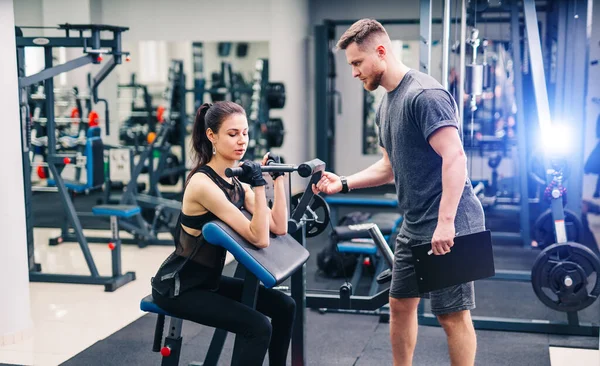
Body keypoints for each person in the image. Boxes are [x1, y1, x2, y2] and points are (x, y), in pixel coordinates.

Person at [313, 19, 485, 366]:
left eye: (357, 63)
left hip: (451, 222)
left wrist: (446, 223)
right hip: (415, 223)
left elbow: (454, 157)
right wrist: (342, 182)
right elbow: (388, 168)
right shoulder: (386, 104)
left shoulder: (424, 95)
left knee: (451, 315)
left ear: (381, 52)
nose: (354, 73)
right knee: (400, 304)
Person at [151, 101, 295, 366]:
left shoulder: (235, 181)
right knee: (258, 327)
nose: (242, 141)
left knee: (285, 306)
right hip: (181, 287)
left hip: (209, 281)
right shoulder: (203, 185)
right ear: (211, 136)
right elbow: (260, 237)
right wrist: (260, 186)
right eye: (232, 134)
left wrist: (277, 179)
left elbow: (279, 226)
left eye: (245, 133)